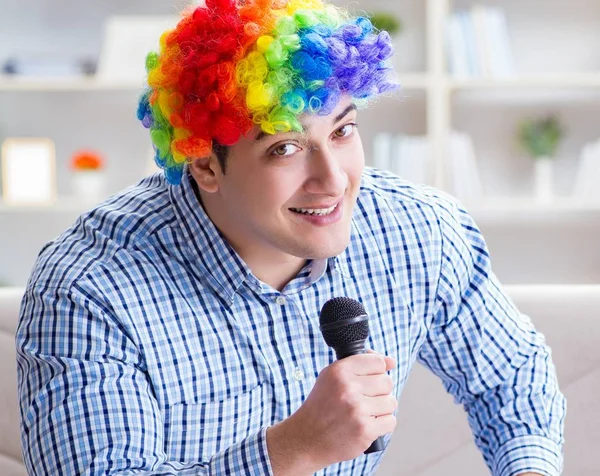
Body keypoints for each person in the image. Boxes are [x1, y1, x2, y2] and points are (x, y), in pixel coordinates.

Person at [16, 0, 565, 474]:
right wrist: (294, 448)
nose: (334, 181)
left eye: (343, 131)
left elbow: (512, 379)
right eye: (285, 147)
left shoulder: (417, 230)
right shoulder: (91, 288)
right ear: (206, 167)